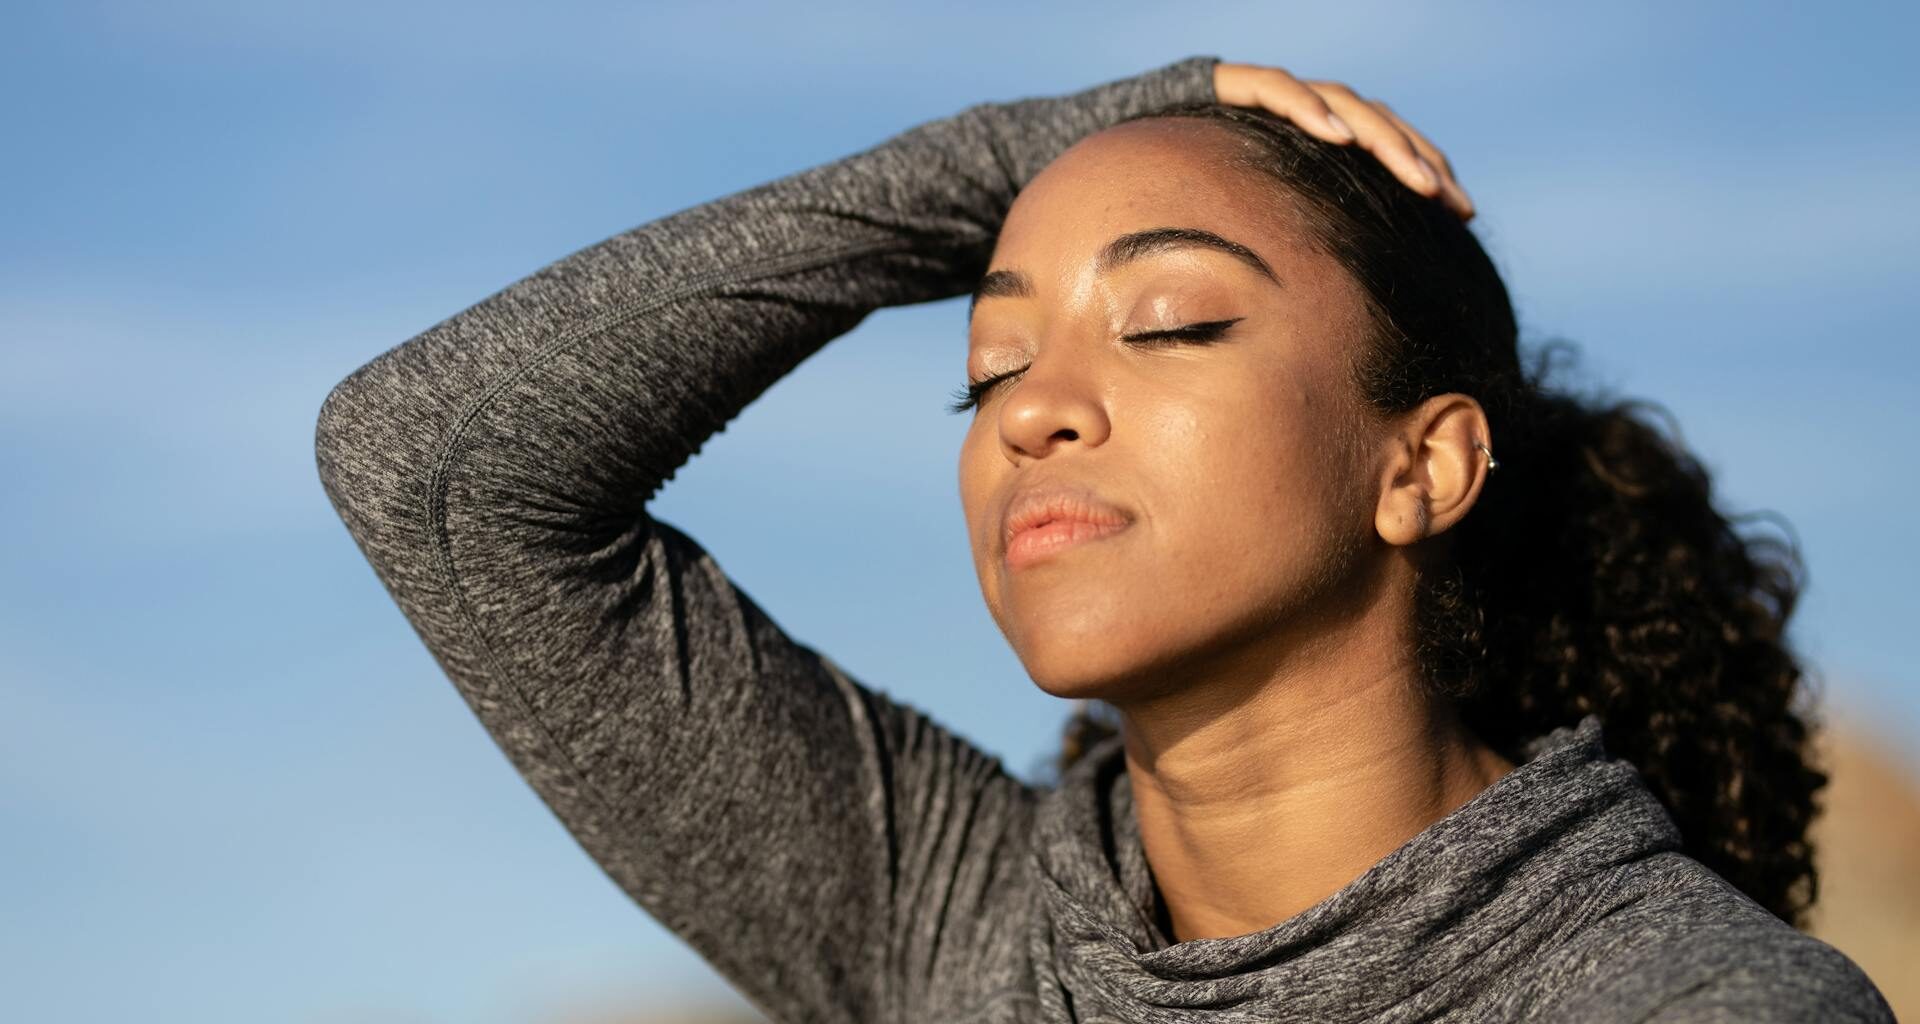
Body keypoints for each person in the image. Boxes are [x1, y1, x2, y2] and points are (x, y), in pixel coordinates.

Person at [313, 54, 1895, 1022]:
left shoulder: (1694, 1002)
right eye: (992, 363)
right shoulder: (962, 926)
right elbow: (438, 466)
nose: (1030, 412)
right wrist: (1013, 164)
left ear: (1422, 466)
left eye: (1170, 322)